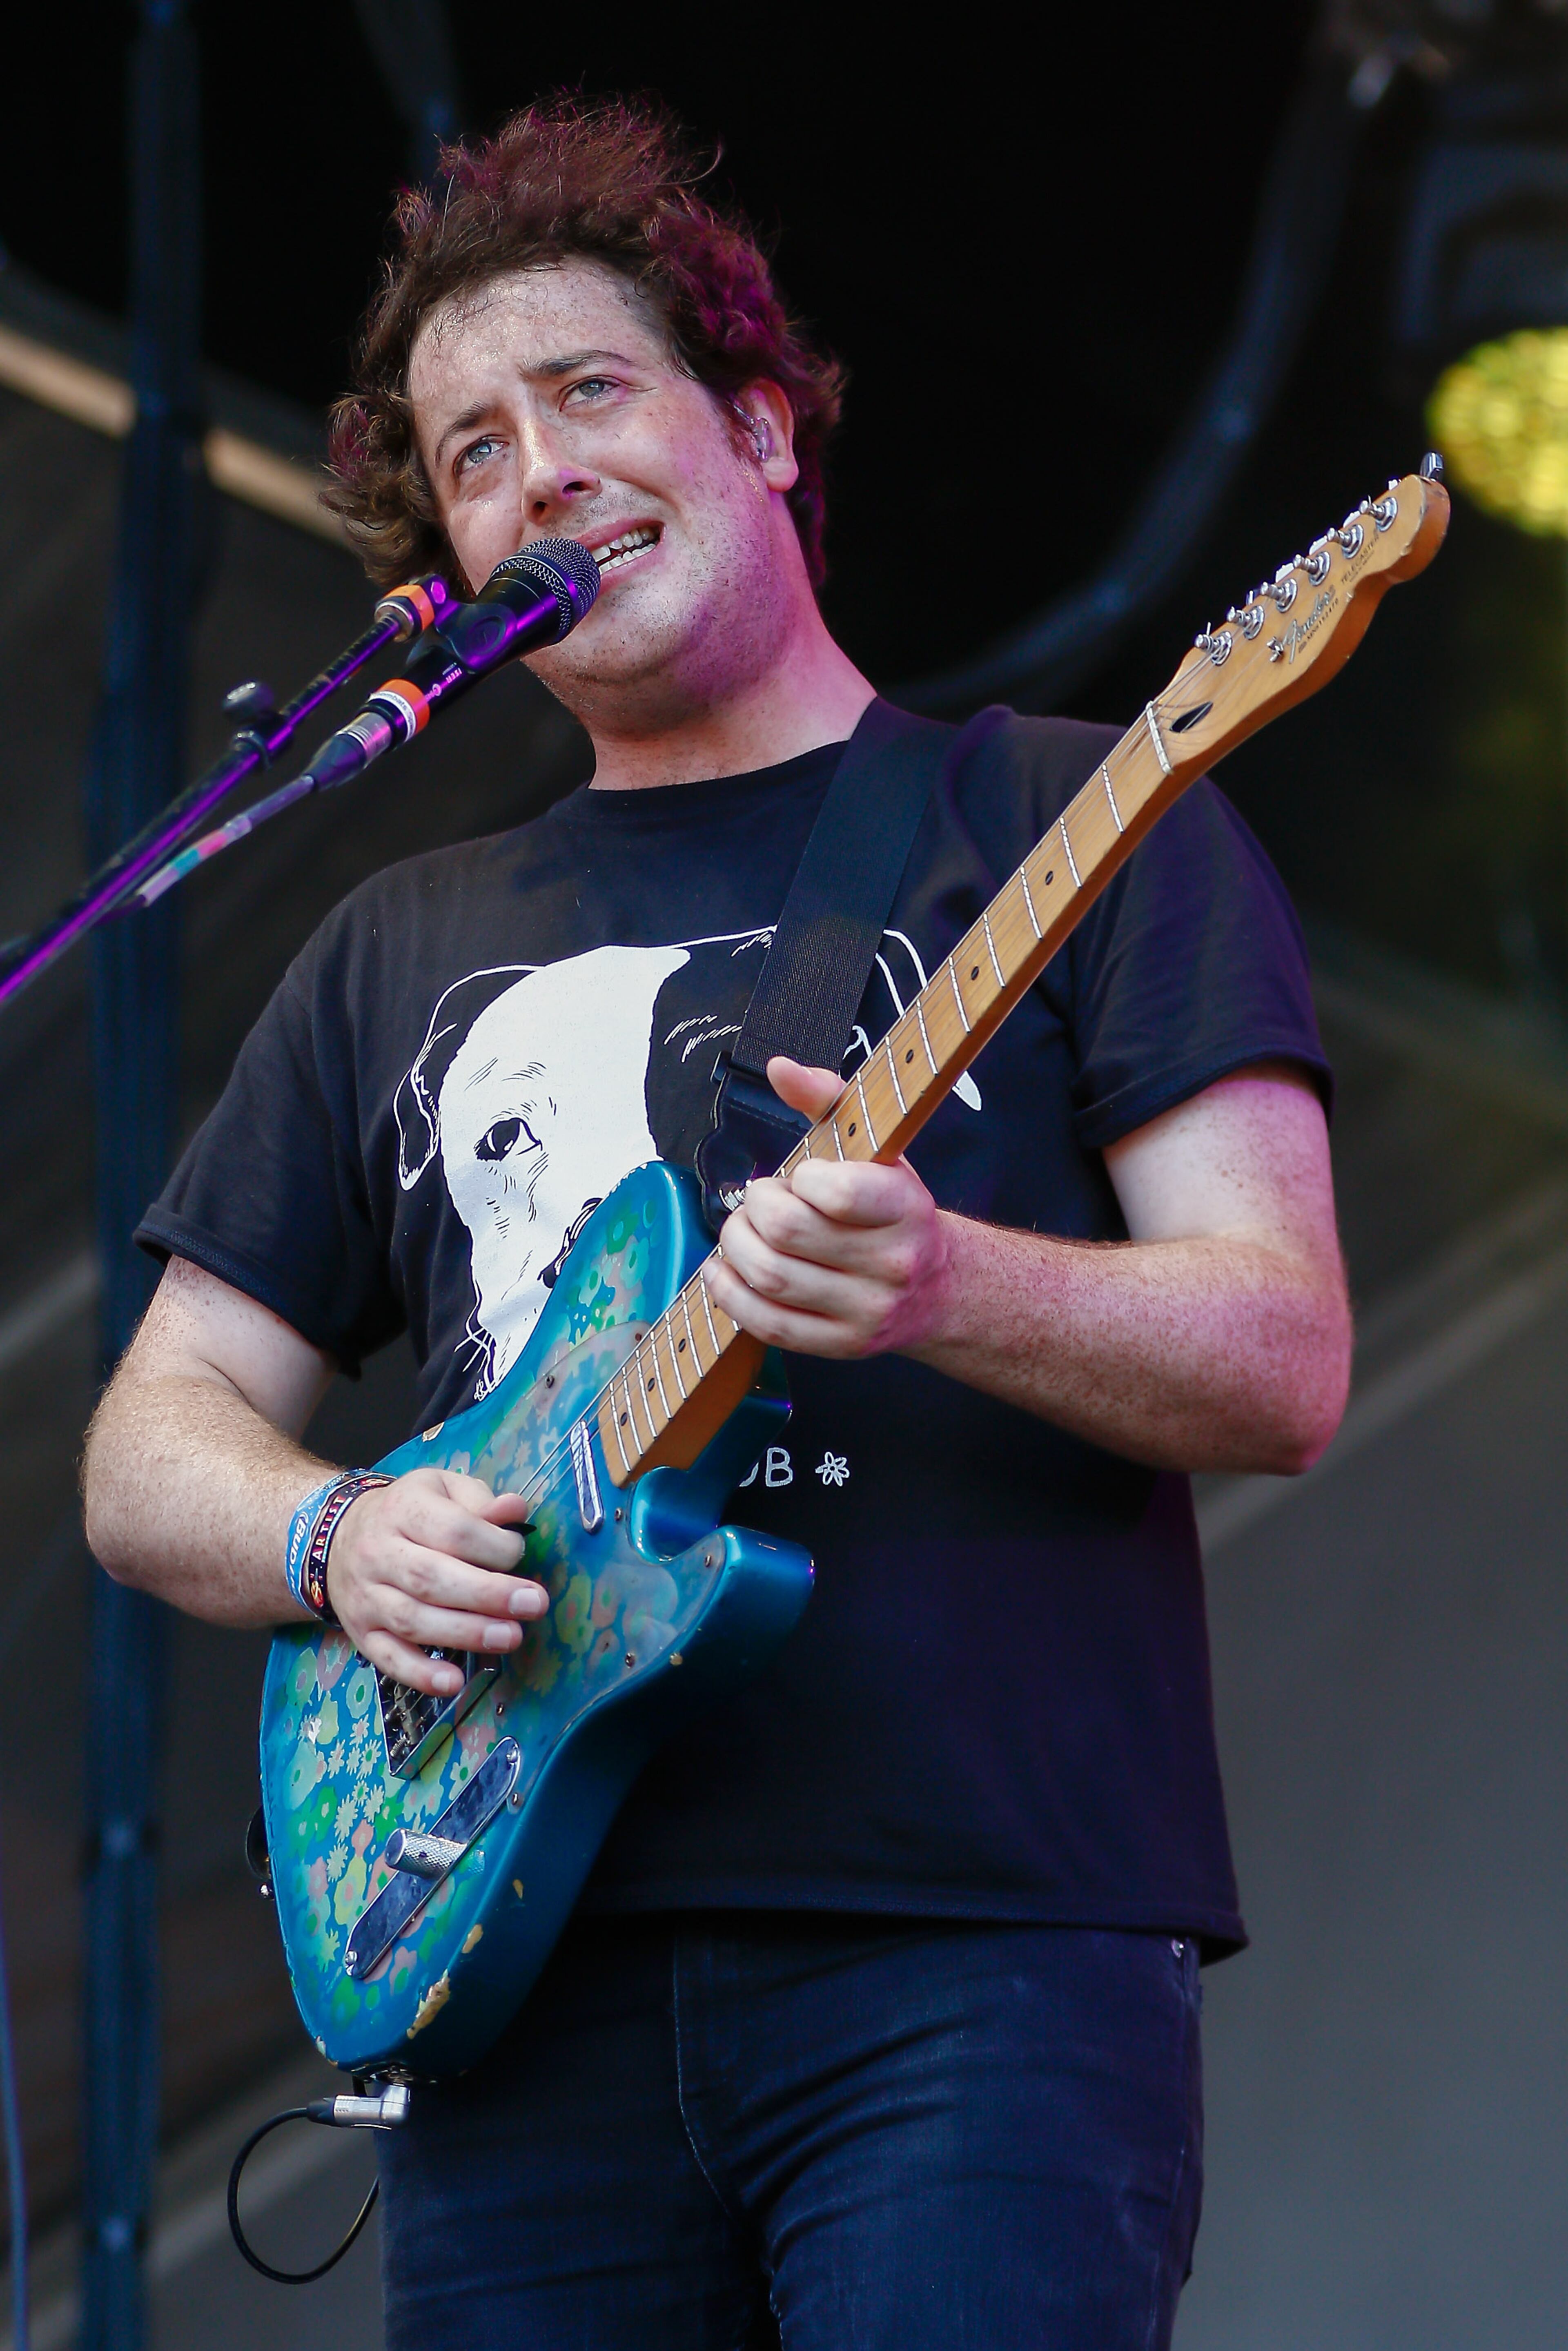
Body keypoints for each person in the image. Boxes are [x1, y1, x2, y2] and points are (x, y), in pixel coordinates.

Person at [82, 99, 1351, 2351]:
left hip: (971, 1964)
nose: (536, 470)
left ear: (759, 432)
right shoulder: (395, 940)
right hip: (510, 1978)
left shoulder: (1070, 812)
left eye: (588, 394)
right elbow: (150, 1435)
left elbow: (1283, 1358)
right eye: (472, 452)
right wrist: (331, 1537)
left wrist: (954, 1283)